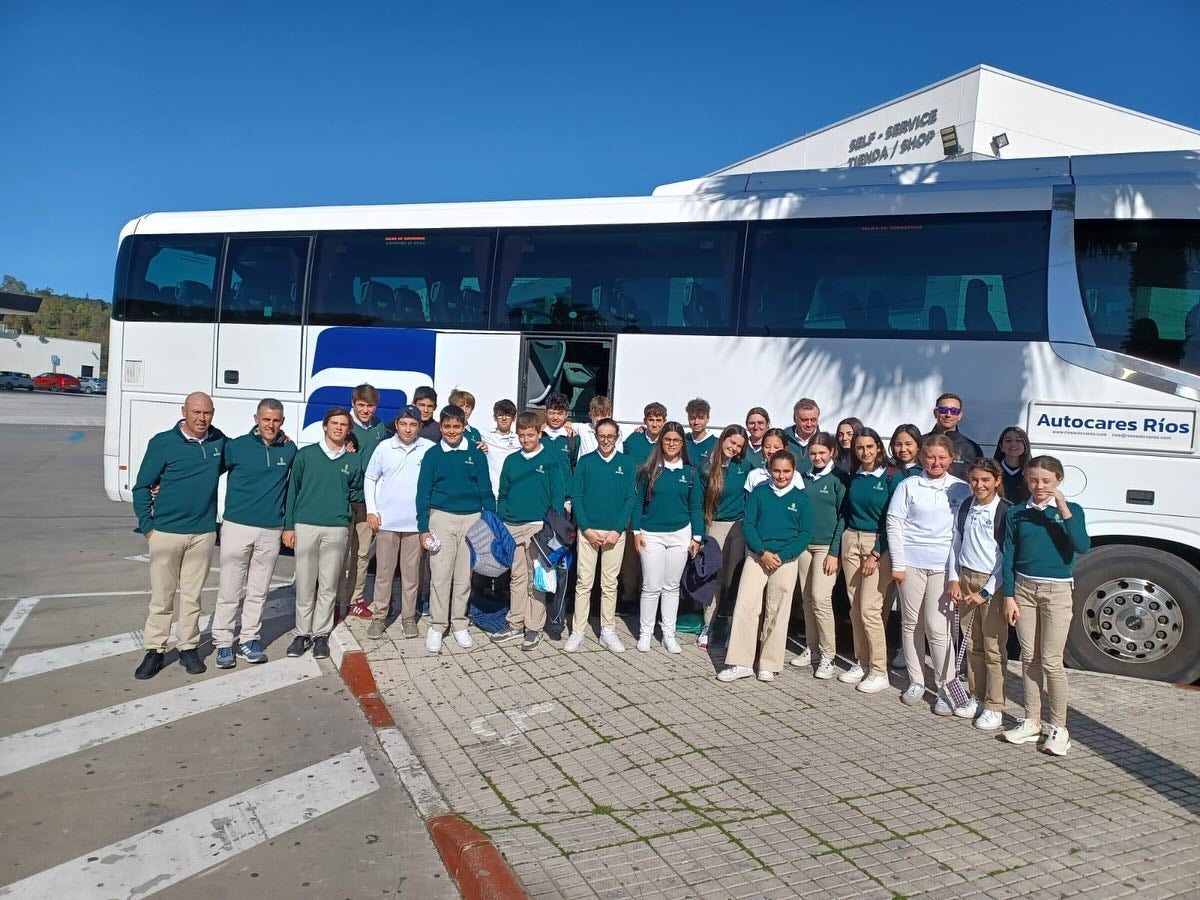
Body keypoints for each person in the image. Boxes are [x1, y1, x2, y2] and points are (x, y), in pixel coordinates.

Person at [131, 392, 227, 680]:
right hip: (166, 533)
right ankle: (155, 650)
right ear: (184, 411)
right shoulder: (163, 443)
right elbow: (142, 486)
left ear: (213, 413)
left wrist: (279, 436)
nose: (201, 418)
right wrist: (148, 526)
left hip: (202, 533)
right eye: (196, 412)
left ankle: (188, 647)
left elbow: (246, 452)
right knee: (162, 597)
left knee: (192, 597)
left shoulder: (218, 442)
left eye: (207, 413)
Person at [1001, 456, 1090, 756]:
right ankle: (1032, 721)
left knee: (1051, 660)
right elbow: (1009, 555)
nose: (1039, 486)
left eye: (1046, 481)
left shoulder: (1072, 510)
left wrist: (1062, 507)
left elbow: (1082, 545)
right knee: (1029, 658)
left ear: (1058, 480)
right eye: (1033, 480)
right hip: (1024, 590)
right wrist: (1009, 595)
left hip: (1057, 592)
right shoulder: (1017, 513)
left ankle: (1059, 728)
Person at [886, 434, 971, 713]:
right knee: (911, 623)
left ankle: (946, 687)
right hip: (910, 564)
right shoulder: (909, 485)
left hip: (943, 568)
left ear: (951, 458)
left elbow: (960, 534)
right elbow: (894, 523)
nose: (936, 462)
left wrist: (954, 573)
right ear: (922, 457)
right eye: (931, 457)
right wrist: (898, 564)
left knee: (938, 627)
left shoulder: (960, 488)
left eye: (942, 457)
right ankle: (916, 681)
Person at [211, 398, 296, 669]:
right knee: (230, 588)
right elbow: (206, 472)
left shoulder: (289, 449)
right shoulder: (236, 447)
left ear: (282, 422)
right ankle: (223, 642)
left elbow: (295, 486)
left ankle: (249, 639)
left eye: (276, 420)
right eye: (266, 419)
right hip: (237, 526)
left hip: (271, 529)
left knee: (259, 590)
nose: (271, 425)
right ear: (256, 419)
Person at [718, 449, 813, 682]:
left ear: (793, 471)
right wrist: (762, 552)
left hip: (785, 560)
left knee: (777, 611)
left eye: (786, 471)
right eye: (776, 471)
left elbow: (805, 534)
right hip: (757, 557)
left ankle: (769, 664)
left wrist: (784, 555)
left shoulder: (801, 499)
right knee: (746, 606)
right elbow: (749, 524)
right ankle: (741, 663)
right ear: (769, 470)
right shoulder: (759, 493)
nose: (781, 476)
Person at [283, 408, 363, 660]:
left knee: (328, 584)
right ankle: (302, 633)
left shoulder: (353, 461)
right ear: (325, 426)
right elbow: (292, 491)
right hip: (306, 525)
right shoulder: (306, 455)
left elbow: (357, 492)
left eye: (343, 424)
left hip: (337, 527)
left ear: (348, 430)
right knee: (306, 583)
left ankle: (321, 635)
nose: (338, 428)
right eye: (334, 423)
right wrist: (288, 526)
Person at [416, 404, 496, 653]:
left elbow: (485, 489)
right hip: (441, 518)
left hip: (471, 519)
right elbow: (423, 492)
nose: (452, 431)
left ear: (464, 427)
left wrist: (490, 521)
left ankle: (460, 623)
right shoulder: (432, 455)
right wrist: (423, 527)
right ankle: (437, 626)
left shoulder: (476, 453)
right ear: (441, 427)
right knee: (440, 574)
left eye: (457, 427)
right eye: (447, 426)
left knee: (464, 576)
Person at [490, 412, 567, 651]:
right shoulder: (512, 461)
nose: (525, 439)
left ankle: (534, 627)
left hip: (538, 527)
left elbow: (558, 497)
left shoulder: (551, 461)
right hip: (512, 526)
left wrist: (552, 528)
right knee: (517, 577)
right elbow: (503, 494)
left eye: (530, 435)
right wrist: (502, 519)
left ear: (539, 433)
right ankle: (515, 622)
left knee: (537, 578)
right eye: (521, 435)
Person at [947, 458, 1011, 732]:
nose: (979, 485)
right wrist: (954, 578)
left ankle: (994, 706)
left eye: (986, 480)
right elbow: (955, 543)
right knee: (972, 644)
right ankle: (977, 696)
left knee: (993, 647)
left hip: (992, 583)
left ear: (997, 481)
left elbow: (1006, 558)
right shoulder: (966, 506)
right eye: (974, 479)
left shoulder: (1005, 511)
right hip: (966, 578)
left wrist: (985, 592)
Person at [840, 427, 904, 693]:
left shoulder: (892, 476)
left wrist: (877, 552)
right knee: (855, 608)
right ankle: (862, 662)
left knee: (870, 609)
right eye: (859, 447)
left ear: (879, 447)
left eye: (869, 446)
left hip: (878, 545)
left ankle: (879, 670)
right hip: (851, 540)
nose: (864, 452)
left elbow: (894, 519)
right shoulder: (854, 476)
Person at [364, 405, 435, 640]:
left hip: (414, 524)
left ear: (419, 426)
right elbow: (370, 477)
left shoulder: (429, 449)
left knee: (411, 574)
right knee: (384, 573)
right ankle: (379, 617)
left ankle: (408, 617)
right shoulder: (384, 448)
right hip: (387, 522)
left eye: (413, 425)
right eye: (403, 424)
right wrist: (372, 511)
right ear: (396, 425)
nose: (408, 429)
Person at [632, 421, 704, 654]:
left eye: (676, 440)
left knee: (671, 586)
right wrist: (636, 531)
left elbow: (695, 507)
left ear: (682, 443)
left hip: (680, 534)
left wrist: (697, 537)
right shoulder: (648, 470)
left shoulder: (690, 473)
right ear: (661, 442)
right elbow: (638, 503)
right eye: (667, 440)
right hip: (651, 534)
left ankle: (669, 634)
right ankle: (645, 633)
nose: (671, 444)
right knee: (651, 585)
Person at [565, 417, 635, 653]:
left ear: (617, 437)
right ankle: (578, 631)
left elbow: (630, 499)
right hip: (589, 532)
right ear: (596, 436)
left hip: (614, 533)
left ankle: (608, 630)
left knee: (609, 584)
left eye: (610, 436)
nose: (606, 440)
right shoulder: (585, 462)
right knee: (584, 583)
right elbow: (577, 497)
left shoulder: (626, 463)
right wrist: (586, 529)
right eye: (602, 436)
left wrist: (617, 530)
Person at [789, 433, 848, 678]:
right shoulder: (803, 477)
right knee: (806, 599)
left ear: (832, 452)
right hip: (805, 545)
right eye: (813, 453)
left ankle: (828, 655)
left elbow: (843, 517)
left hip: (826, 547)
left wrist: (835, 552)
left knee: (820, 598)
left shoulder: (839, 479)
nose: (817, 457)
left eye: (822, 452)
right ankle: (812, 648)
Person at [698, 425, 751, 649]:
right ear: (723, 439)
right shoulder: (706, 467)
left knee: (734, 578)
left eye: (739, 446)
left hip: (738, 527)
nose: (734, 448)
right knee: (714, 577)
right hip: (715, 526)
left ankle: (730, 628)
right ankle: (708, 625)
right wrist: (700, 534)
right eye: (732, 442)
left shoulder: (744, 466)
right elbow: (698, 503)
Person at [342, 384, 389, 619]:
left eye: (370, 405)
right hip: (343, 499)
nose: (365, 410)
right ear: (353, 404)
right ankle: (335, 602)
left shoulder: (379, 427)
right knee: (340, 555)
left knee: (361, 555)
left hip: (367, 502)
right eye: (361, 405)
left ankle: (355, 600)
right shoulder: (344, 425)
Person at [925, 392, 983, 480]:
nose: (948, 415)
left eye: (954, 411)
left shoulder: (972, 448)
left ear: (960, 415)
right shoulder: (920, 443)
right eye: (943, 410)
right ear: (935, 413)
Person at [483, 399, 521, 496]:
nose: (504, 418)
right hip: (491, 494)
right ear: (494, 417)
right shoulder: (485, 436)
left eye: (508, 415)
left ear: (514, 418)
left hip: (513, 494)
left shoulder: (520, 440)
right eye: (500, 415)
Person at [540, 391, 580, 473]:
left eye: (560, 414)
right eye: (552, 413)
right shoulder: (537, 436)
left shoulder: (573, 439)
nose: (555, 417)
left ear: (566, 415)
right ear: (545, 413)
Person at [993, 426, 1032, 505]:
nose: (1013, 444)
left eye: (1018, 440)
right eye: (1008, 440)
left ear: (1025, 446)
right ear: (1001, 447)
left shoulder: (1033, 472)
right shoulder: (992, 471)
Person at [624, 401, 668, 468]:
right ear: (645, 421)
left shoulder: (669, 443)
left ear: (664, 422)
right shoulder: (634, 439)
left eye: (658, 420)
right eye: (651, 420)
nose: (654, 424)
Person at [685, 397, 718, 465]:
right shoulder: (682, 440)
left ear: (707, 419)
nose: (696, 422)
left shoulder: (716, 443)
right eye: (692, 418)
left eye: (700, 418)